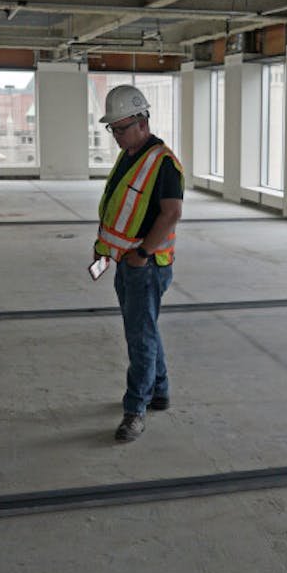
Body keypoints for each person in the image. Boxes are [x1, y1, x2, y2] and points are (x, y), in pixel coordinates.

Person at [93, 85, 184, 443]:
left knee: (140, 336)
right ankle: (159, 390)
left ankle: (136, 410)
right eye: (112, 129)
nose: (115, 136)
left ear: (142, 121)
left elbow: (172, 213)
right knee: (144, 329)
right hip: (127, 263)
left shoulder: (162, 162)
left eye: (121, 128)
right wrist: (105, 247)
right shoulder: (131, 154)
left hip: (146, 266)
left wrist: (143, 253)